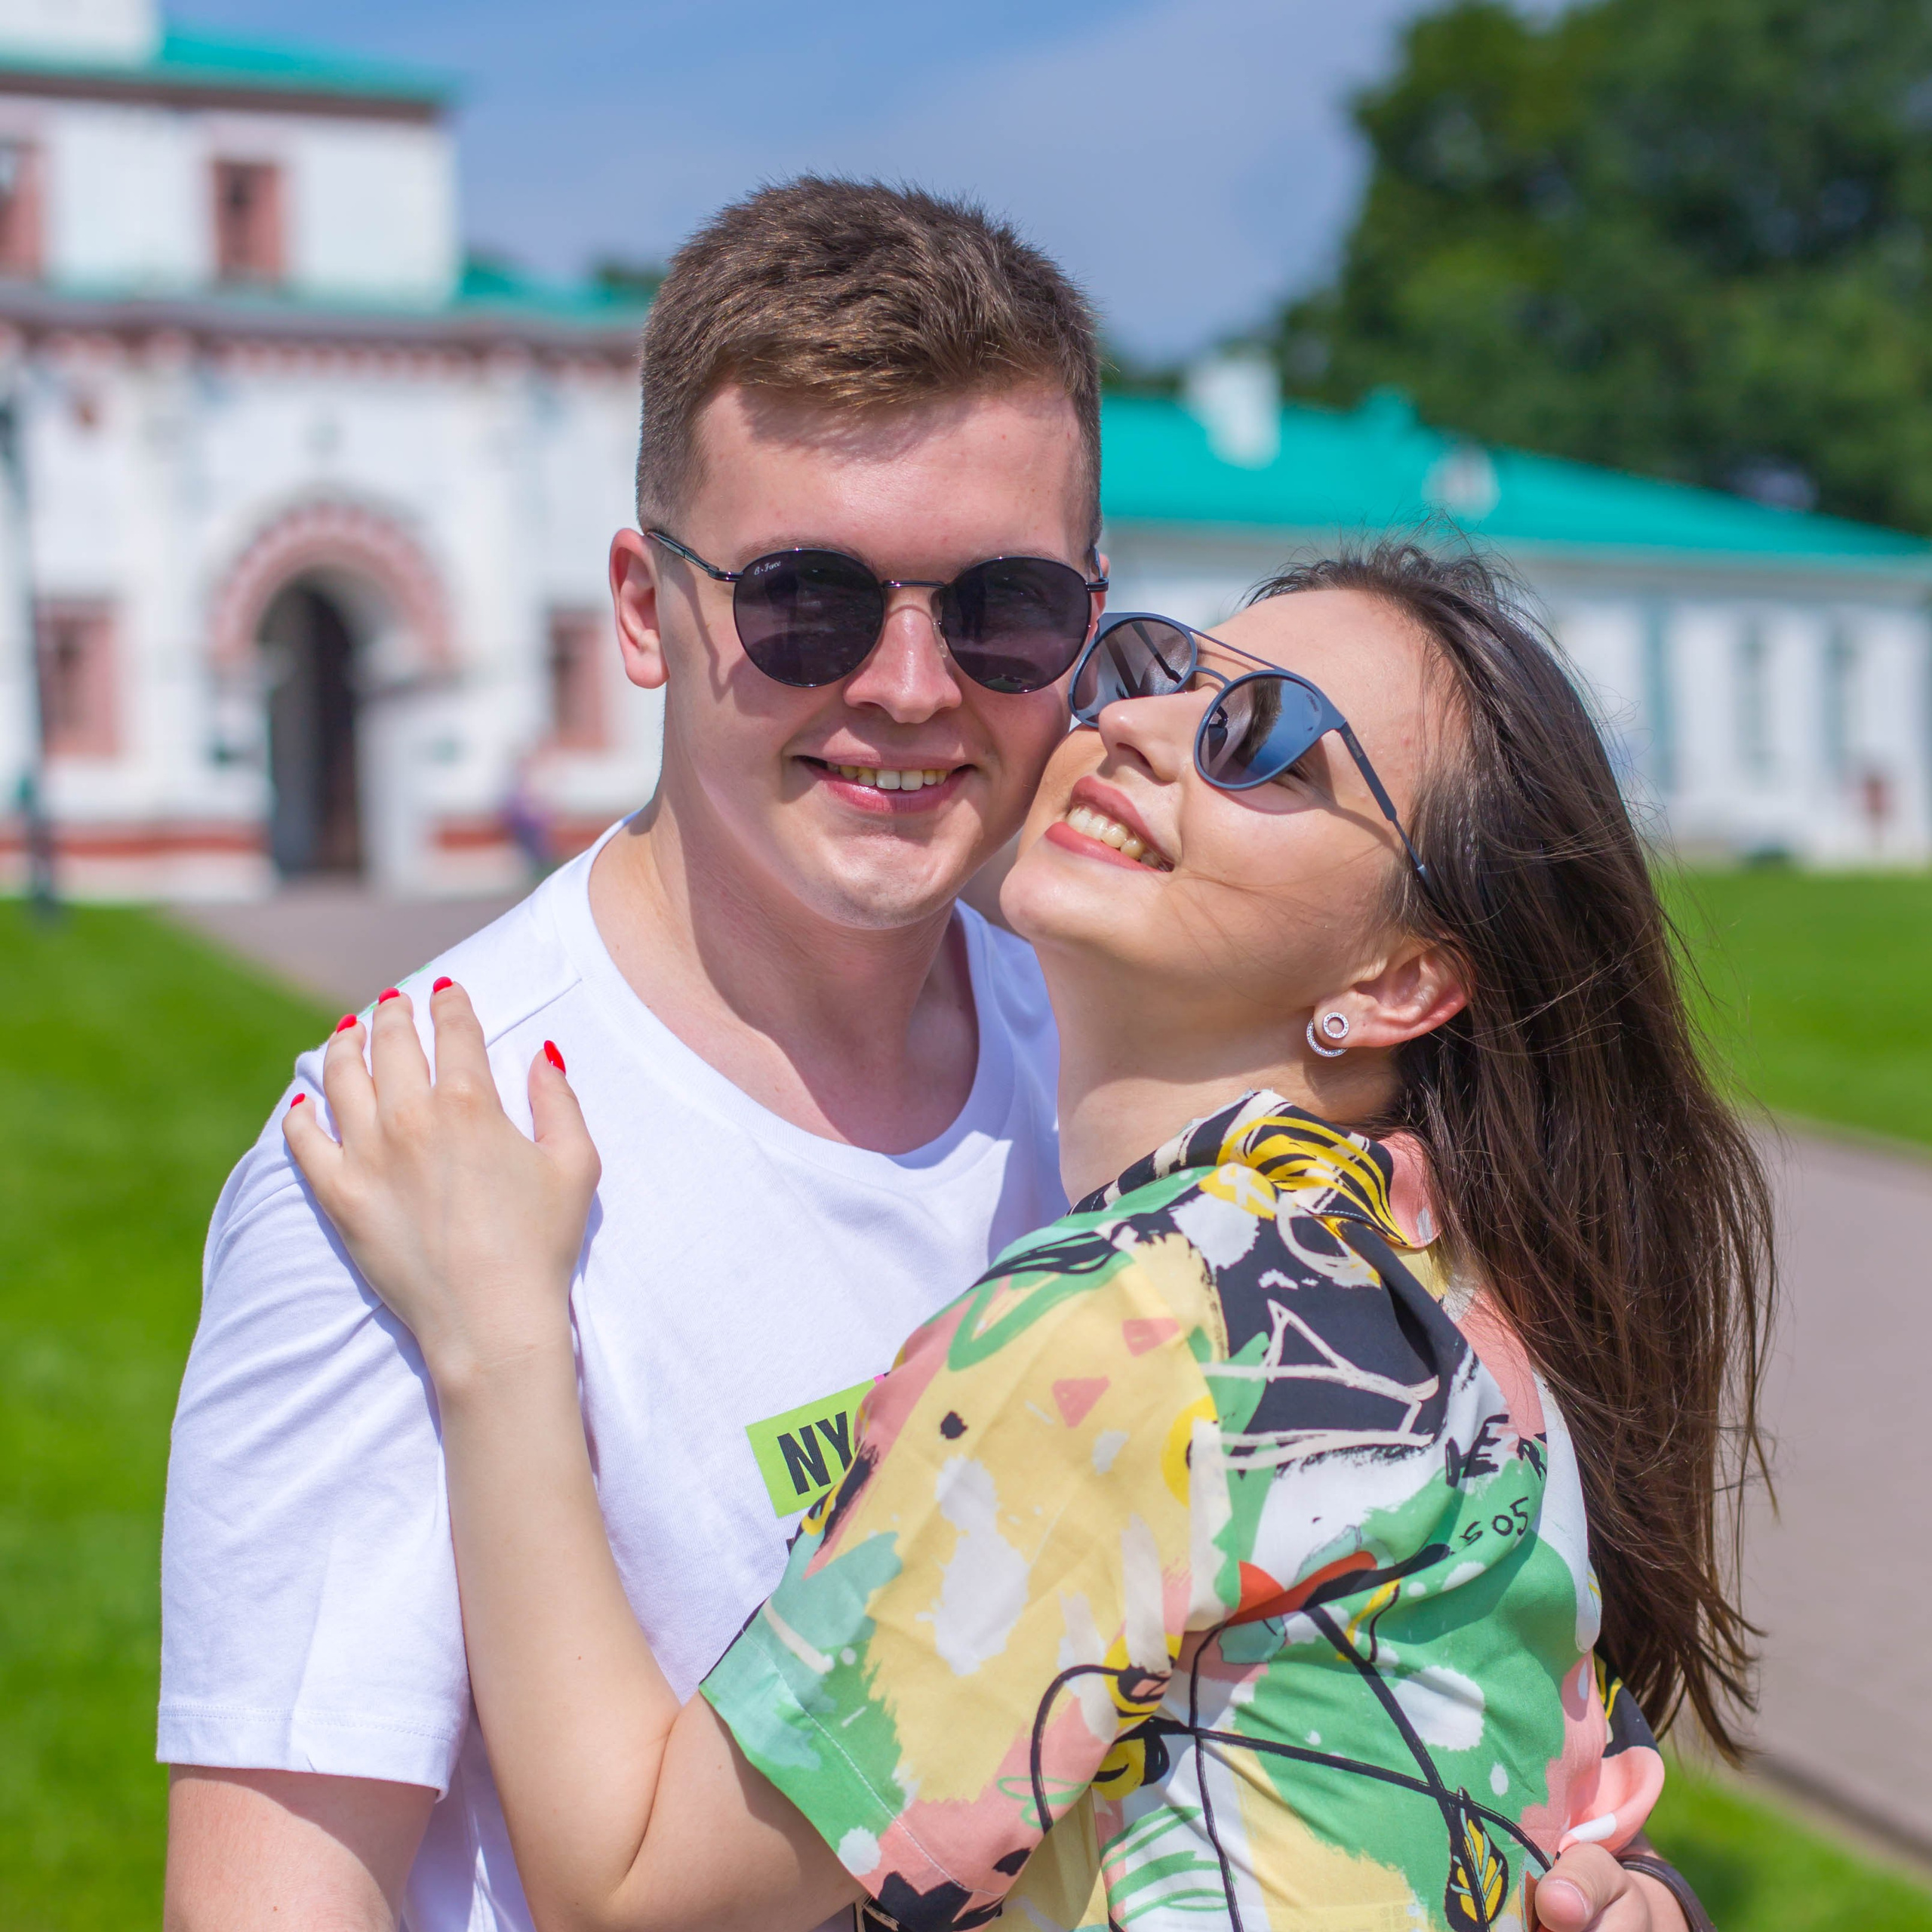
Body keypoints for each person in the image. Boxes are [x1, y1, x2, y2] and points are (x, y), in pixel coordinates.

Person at [159, 174, 1700, 1931]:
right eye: (805, 601)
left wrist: (1599, 1883)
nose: (904, 685)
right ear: (645, 610)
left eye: (1005, 612)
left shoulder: (1161, 1098)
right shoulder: (421, 1146)